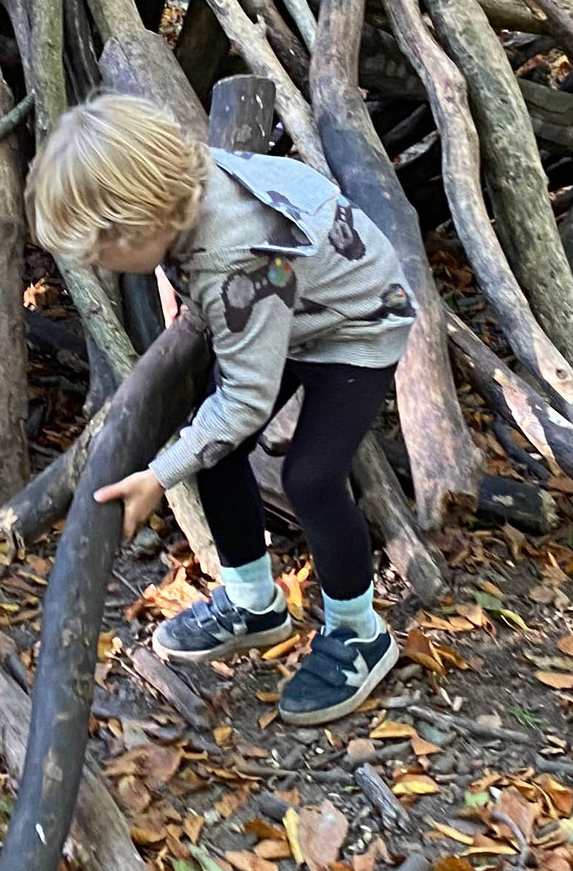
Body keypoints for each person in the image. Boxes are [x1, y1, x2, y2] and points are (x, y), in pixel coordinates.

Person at [26, 94, 415, 726]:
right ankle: (254, 602)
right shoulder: (180, 186)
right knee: (216, 453)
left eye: (102, 254)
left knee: (311, 478)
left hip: (354, 325)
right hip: (284, 310)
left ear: (141, 222)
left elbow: (245, 399)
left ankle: (359, 632)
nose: (97, 268)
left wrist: (158, 476)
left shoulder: (237, 257)